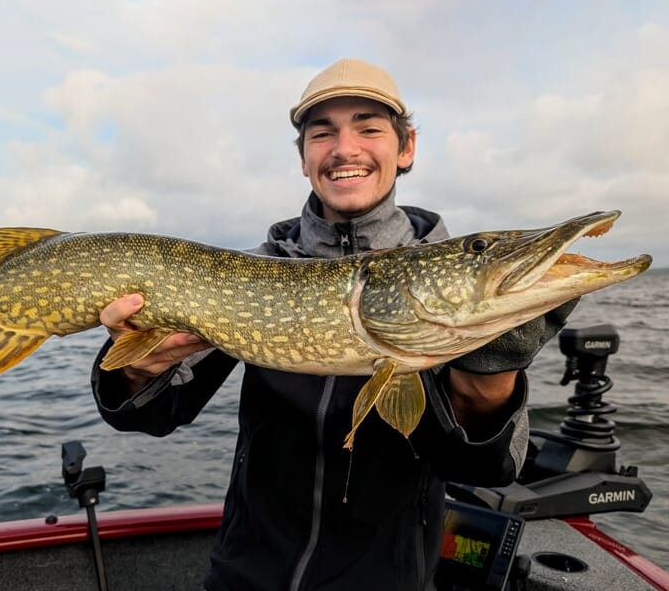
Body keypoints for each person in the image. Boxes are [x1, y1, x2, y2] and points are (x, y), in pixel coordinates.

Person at [91, 58, 575, 590]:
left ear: (406, 146)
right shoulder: (251, 270)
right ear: (304, 159)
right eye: (323, 133)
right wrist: (137, 370)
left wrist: (491, 375)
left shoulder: (442, 278)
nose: (345, 148)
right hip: (245, 576)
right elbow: (152, 417)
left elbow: (485, 469)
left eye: (368, 127)